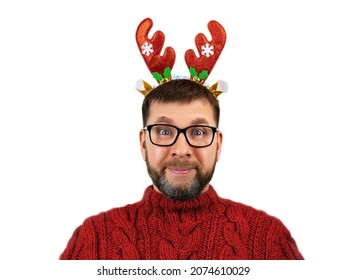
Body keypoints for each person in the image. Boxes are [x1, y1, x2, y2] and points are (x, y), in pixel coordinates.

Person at [60, 18, 303, 260]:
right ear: (143, 144)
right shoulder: (93, 239)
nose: (181, 149)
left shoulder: (269, 238)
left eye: (198, 132)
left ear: (218, 145)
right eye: (165, 131)